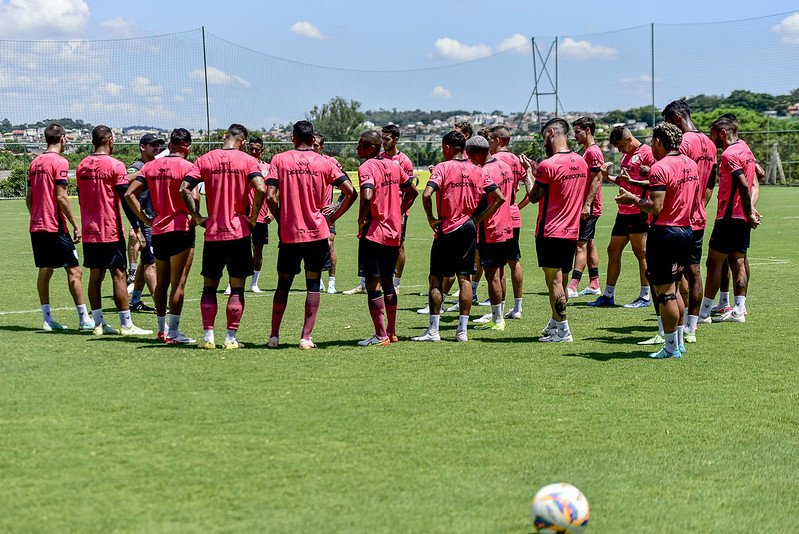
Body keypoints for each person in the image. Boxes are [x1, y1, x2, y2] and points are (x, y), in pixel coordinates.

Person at [265, 121, 357, 349]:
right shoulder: (325, 162)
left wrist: (280, 219)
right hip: (317, 233)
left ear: (293, 137)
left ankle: (274, 336)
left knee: (283, 284)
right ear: (312, 139)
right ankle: (306, 338)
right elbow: (351, 192)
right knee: (313, 284)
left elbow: (270, 196)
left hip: (290, 233)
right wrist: (334, 214)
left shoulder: (280, 160)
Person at [616, 122, 700, 358]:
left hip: (664, 234)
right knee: (675, 288)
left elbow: (655, 206)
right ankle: (679, 342)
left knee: (665, 293)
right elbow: (694, 202)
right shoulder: (691, 165)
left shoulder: (660, 167)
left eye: (653, 140)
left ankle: (671, 348)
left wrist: (633, 199)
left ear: (659, 142)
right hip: (686, 231)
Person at [179, 123, 266, 349]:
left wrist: (197, 217)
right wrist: (254, 217)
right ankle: (230, 338)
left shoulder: (206, 159)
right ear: (243, 142)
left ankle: (208, 338)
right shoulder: (248, 161)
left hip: (213, 233)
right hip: (238, 232)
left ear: (225, 137)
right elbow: (261, 188)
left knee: (209, 287)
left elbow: (183, 188)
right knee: (237, 288)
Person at [412, 131, 504, 343]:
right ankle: (462, 331)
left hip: (448, 226)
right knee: (465, 278)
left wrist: (431, 219)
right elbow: (499, 197)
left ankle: (433, 331)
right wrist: (478, 220)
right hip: (469, 227)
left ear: (447, 148)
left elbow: (426, 195)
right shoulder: (478, 170)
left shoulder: (443, 167)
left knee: (436, 277)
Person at [76, 125, 152, 336]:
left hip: (90, 230)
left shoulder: (82, 165)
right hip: (109, 229)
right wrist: (137, 227)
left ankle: (99, 324)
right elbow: (126, 200)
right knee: (118, 275)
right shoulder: (115, 165)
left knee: (94, 275)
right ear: (110, 140)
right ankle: (126, 324)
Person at [125, 128, 197, 344]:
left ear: (170, 144)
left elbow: (129, 194)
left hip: (158, 230)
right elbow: (193, 197)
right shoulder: (188, 167)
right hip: (181, 229)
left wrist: (146, 220)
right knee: (178, 284)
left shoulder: (151, 166)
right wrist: (196, 216)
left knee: (162, 283)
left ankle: (161, 330)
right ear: (188, 146)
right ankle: (174, 333)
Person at [26, 122, 94, 331]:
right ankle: (84, 319)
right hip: (55, 226)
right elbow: (62, 197)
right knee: (75, 270)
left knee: (45, 270)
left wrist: (37, 216)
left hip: (37, 226)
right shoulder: (60, 162)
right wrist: (75, 224)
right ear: (63, 138)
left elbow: (29, 198)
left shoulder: (34, 162)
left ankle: (47, 320)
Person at [355, 131, 418, 345]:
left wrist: (361, 219)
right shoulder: (394, 165)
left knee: (373, 285)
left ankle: (380, 335)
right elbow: (412, 191)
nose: (357, 149)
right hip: (393, 232)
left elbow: (367, 195)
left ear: (372, 148)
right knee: (388, 283)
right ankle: (391, 332)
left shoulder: (366, 168)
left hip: (374, 233)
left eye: (361, 144)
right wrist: (398, 211)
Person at [662, 100, 718, 343]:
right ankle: (692, 328)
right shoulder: (709, 142)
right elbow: (710, 183)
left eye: (666, 121)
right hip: (698, 217)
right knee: (694, 272)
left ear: (675, 118)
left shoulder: (684, 143)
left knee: (672, 275)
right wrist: (700, 206)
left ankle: (672, 328)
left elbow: (676, 175)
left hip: (679, 219)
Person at [527, 118, 587, 343]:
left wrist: (528, 175)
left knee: (554, 282)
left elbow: (534, 197)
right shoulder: (580, 161)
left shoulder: (548, 164)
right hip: (571, 231)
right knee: (561, 282)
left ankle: (563, 331)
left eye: (544, 136)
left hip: (551, 231)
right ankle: (554, 323)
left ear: (551, 133)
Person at [697, 115, 760, 324]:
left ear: (722, 133)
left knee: (713, 262)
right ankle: (739, 310)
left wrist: (749, 210)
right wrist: (750, 209)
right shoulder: (746, 149)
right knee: (739, 261)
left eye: (713, 134)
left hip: (728, 217)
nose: (710, 138)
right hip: (741, 217)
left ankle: (704, 313)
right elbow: (757, 174)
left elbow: (742, 183)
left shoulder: (729, 154)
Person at [589, 126, 653, 309]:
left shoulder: (647, 153)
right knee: (612, 250)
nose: (618, 150)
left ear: (628, 138)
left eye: (619, 146)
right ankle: (608, 295)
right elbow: (624, 180)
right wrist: (608, 176)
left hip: (639, 210)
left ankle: (645, 296)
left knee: (641, 254)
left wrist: (648, 171)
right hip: (623, 211)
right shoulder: (626, 156)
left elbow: (657, 181)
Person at [466, 136, 513, 331]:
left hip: (490, 228)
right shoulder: (504, 166)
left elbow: (486, 201)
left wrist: (477, 219)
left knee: (492, 274)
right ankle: (499, 314)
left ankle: (497, 319)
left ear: (477, 153)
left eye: (470, 156)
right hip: (506, 225)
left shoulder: (483, 171)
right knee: (500, 272)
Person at [488, 125, 533, 319]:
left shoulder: (495, 161)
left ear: (497, 140)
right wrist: (517, 206)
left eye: (490, 139)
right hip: (514, 214)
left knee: (498, 265)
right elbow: (531, 192)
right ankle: (518, 308)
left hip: (499, 217)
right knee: (515, 261)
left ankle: (498, 310)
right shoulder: (516, 159)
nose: (488, 143)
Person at [126, 133, 162, 312]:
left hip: (155, 221)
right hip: (145, 221)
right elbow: (124, 179)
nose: (157, 148)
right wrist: (145, 172)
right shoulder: (136, 167)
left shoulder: (154, 165)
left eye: (158, 145)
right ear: (142, 147)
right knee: (151, 263)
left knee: (146, 261)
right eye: (152, 145)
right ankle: (160, 304)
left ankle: (135, 301)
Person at [568, 117, 604, 298]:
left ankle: (573, 286)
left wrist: (587, 204)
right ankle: (594, 283)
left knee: (580, 245)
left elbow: (597, 178)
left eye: (577, 132)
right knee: (589, 244)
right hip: (586, 206)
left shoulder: (593, 152)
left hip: (588, 207)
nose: (575, 136)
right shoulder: (587, 151)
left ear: (588, 130)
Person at [379, 124, 416, 294]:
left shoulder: (404, 161)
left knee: (399, 246)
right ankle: (377, 280)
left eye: (387, 139)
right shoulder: (379, 158)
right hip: (381, 210)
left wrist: (401, 212)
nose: (383, 142)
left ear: (395, 139)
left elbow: (410, 191)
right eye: (382, 138)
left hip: (398, 211)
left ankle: (397, 282)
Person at [313, 133, 346, 295]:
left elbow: (348, 188)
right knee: (313, 247)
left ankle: (331, 281)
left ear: (322, 147)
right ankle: (317, 280)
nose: (312, 148)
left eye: (316, 146)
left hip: (326, 213)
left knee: (330, 243)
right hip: (308, 213)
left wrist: (336, 205)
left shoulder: (330, 162)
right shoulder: (303, 162)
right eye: (311, 145)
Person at [246, 135, 273, 293]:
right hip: (244, 215)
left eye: (257, 149)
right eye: (251, 149)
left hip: (262, 216)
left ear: (262, 150)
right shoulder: (242, 166)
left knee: (258, 249)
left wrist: (271, 212)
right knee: (240, 250)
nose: (254, 151)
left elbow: (274, 192)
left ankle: (254, 283)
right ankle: (232, 282)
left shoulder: (268, 168)